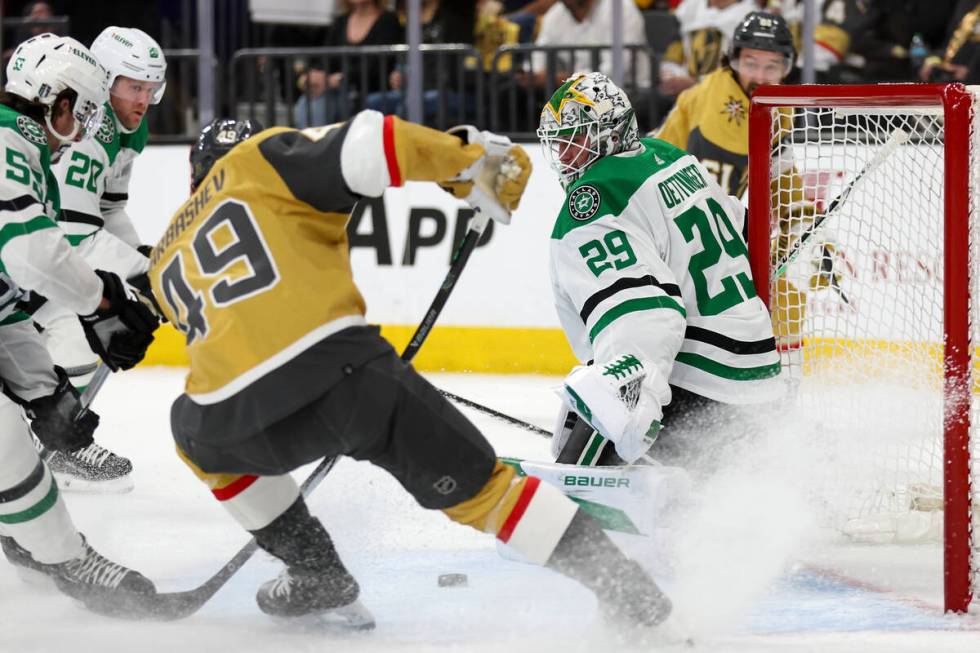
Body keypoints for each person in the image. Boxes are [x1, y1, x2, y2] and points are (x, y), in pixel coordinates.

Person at [144, 112, 671, 628]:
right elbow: (372, 141)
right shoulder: (257, 162)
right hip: (344, 376)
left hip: (229, 420)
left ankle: (314, 570)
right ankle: (626, 591)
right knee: (488, 493)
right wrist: (469, 162)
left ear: (193, 176)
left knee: (190, 433)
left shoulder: (166, 251)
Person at [537, 71, 783, 468]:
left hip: (701, 389)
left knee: (604, 401)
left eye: (578, 138)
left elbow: (645, 314)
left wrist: (635, 400)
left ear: (611, 133)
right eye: (561, 142)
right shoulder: (672, 156)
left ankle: (587, 516)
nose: (566, 155)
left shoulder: (596, 201)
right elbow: (742, 227)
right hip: (761, 374)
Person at [0, 33, 159, 609]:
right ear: (58, 101)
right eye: (85, 110)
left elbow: (3, 298)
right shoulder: (8, 145)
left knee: (10, 442)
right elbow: (34, 254)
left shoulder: (23, 147)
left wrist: (43, 392)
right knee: (6, 446)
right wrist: (103, 304)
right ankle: (63, 560)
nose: (87, 125)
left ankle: (34, 542)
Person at [16, 27, 168, 492]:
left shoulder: (125, 126)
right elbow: (76, 232)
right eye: (132, 86)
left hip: (32, 247)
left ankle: (56, 441)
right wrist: (144, 273)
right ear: (103, 80)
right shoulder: (93, 128)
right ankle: (58, 444)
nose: (142, 100)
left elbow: (106, 210)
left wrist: (142, 259)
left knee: (82, 326)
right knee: (82, 325)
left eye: (150, 87)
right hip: (25, 250)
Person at [654, 12, 828, 356]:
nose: (759, 76)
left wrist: (806, 226)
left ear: (786, 68)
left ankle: (782, 388)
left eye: (771, 66)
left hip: (691, 227)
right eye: (751, 63)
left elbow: (778, 169)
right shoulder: (720, 102)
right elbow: (706, 200)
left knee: (790, 277)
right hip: (658, 224)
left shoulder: (773, 106)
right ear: (733, 60)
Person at [292, 0, 403, 128]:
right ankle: (314, 144)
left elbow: (375, 68)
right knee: (308, 101)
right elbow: (326, 59)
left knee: (321, 102)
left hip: (367, 90)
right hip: (336, 90)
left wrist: (336, 80)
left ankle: (316, 145)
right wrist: (314, 77)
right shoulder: (341, 21)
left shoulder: (388, 21)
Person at [659, 0, 756, 101]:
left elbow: (747, 70)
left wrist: (698, 83)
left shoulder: (751, 17)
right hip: (681, 92)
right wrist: (673, 76)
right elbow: (672, 55)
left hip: (725, 96)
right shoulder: (688, 8)